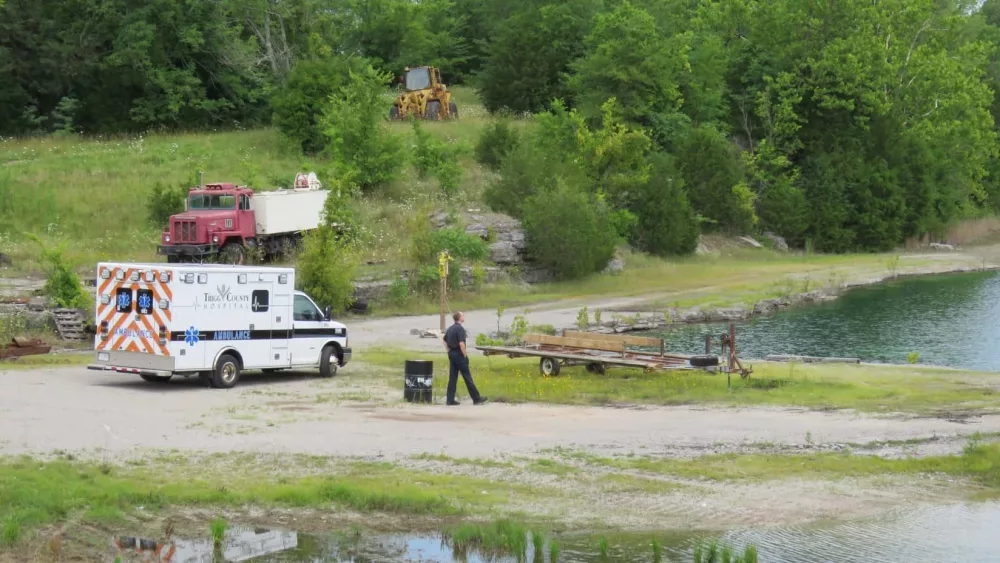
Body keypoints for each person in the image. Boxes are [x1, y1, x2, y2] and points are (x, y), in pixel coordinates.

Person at [442, 311, 488, 406]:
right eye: (462, 315)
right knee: (467, 377)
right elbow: (461, 343)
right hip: (459, 354)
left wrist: (448, 351)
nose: (464, 316)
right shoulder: (460, 329)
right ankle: (476, 398)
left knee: (453, 377)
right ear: (459, 317)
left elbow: (444, 340)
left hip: (452, 354)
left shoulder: (450, 328)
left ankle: (450, 399)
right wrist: (465, 355)